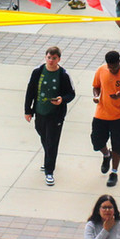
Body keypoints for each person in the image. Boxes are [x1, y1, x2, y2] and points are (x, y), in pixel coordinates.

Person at [24, 46, 76, 187]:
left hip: (55, 115)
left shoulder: (63, 75)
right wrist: (28, 110)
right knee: (43, 135)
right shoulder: (38, 72)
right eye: (49, 57)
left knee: (52, 141)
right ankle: (49, 157)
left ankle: (49, 171)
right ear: (45, 57)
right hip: (40, 111)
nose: (51, 60)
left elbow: (71, 93)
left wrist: (61, 100)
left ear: (59, 59)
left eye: (54, 58)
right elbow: (30, 91)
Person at [91, 51, 120, 188]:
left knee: (118, 144)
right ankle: (106, 154)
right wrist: (96, 96)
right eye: (110, 67)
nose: (112, 70)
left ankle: (114, 172)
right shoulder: (101, 70)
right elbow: (96, 87)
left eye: (114, 67)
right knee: (96, 140)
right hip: (102, 113)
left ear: (119, 62)